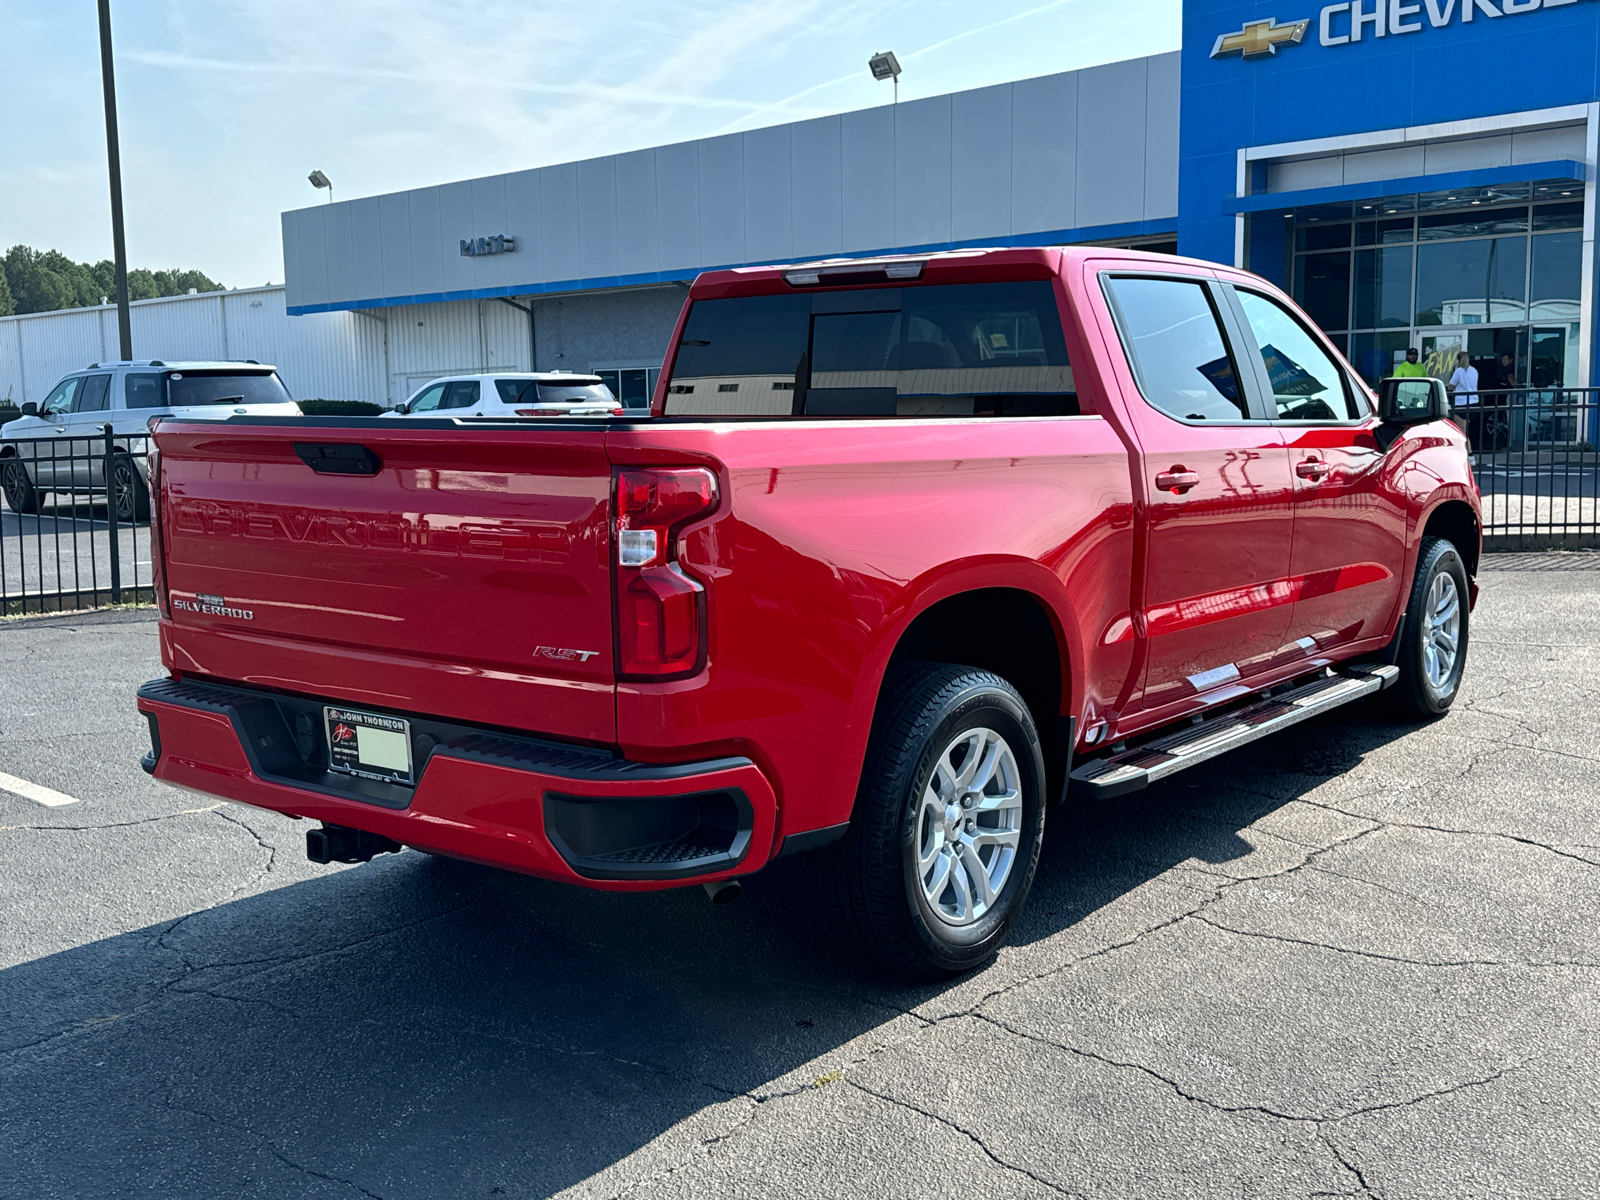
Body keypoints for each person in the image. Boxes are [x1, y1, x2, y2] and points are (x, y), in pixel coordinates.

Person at [1449, 351, 1480, 453]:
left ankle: (1468, 454)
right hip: (1474, 402)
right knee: (1465, 430)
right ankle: (1467, 453)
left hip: (1462, 403)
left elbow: (1451, 386)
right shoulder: (1474, 371)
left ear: (1458, 360)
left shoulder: (1459, 371)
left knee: (1462, 432)